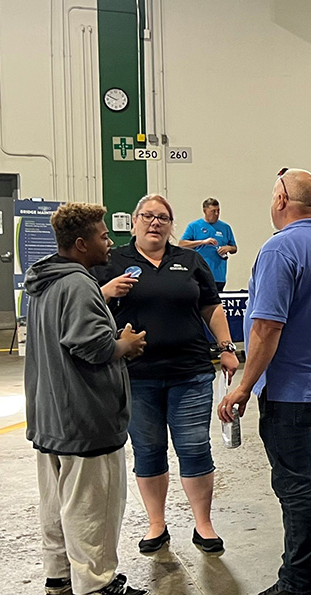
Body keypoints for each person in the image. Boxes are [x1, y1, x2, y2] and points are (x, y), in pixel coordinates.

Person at [218, 168, 311, 595]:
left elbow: (266, 328)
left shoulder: (280, 249)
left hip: (293, 393)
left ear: (280, 200)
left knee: (295, 488)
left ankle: (297, 584)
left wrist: (243, 386)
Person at [95, 194, 239, 556]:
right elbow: (88, 306)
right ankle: (156, 524)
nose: (155, 223)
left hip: (189, 373)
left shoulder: (188, 260)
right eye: (147, 216)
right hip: (136, 375)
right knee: (148, 450)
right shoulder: (113, 261)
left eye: (162, 217)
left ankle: (203, 524)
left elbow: (211, 306)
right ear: (134, 220)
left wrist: (226, 346)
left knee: (193, 448)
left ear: (172, 224)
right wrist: (105, 292)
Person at [24, 202, 151, 595]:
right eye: (101, 235)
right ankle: (95, 584)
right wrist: (125, 344)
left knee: (57, 501)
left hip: (50, 417)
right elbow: (92, 346)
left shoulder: (45, 282)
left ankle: (60, 574)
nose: (108, 240)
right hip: (85, 417)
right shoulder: (78, 285)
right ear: (81, 244)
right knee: (93, 503)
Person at [179, 198, 237, 291]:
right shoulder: (194, 226)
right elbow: (182, 244)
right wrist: (203, 242)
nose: (216, 214)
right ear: (205, 211)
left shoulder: (225, 227)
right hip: (199, 275)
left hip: (218, 276)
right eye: (213, 211)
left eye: (218, 211)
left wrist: (228, 248)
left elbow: (234, 248)